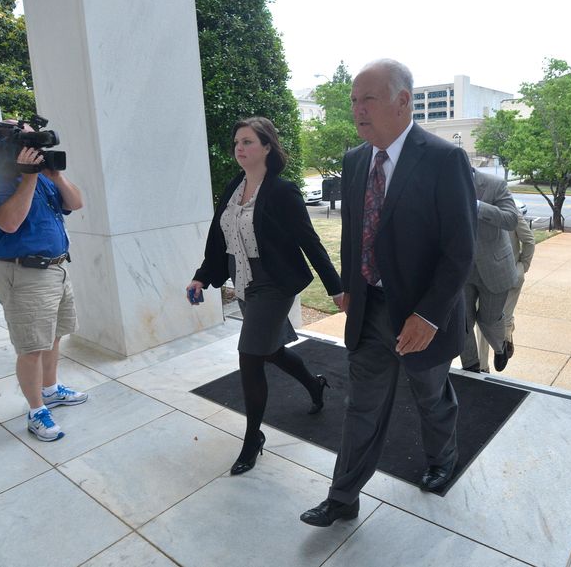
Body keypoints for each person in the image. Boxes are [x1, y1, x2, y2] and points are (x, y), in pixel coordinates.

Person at [300, 59, 477, 527]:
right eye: (354, 100)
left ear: (403, 101)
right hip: (370, 310)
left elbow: (460, 251)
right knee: (362, 405)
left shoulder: (444, 159)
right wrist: (349, 289)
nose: (357, 109)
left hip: (423, 315)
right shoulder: (356, 159)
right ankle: (343, 497)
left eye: (368, 99)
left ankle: (443, 459)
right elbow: (355, 233)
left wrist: (430, 315)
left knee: (430, 396)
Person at [187, 116, 342, 476]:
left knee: (249, 355)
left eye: (248, 142)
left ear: (267, 147)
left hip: (273, 284)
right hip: (243, 282)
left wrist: (335, 288)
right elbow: (219, 241)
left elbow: (310, 241)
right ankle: (315, 385)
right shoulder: (232, 187)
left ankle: (252, 437)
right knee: (269, 350)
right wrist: (201, 277)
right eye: (237, 142)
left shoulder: (282, 191)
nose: (239, 148)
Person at [0, 134, 86, 442]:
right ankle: (36, 410)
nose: (34, 151)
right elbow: (9, 223)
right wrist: (28, 179)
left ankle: (50, 390)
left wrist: (56, 176)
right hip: (23, 273)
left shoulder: (44, 177)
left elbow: (76, 202)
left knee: (53, 336)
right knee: (31, 347)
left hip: (56, 270)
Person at [459, 169, 520, 373]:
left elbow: (511, 219)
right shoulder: (443, 184)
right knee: (463, 321)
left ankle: (501, 345)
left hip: (494, 268)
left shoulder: (495, 184)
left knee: (488, 319)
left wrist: (476, 206)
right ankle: (471, 366)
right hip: (460, 269)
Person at [475, 213, 535, 371]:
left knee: (501, 316)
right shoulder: (476, 208)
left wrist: (522, 267)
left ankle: (503, 341)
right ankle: (482, 365)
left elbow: (528, 240)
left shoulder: (510, 212)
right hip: (481, 276)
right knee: (484, 320)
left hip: (509, 277)